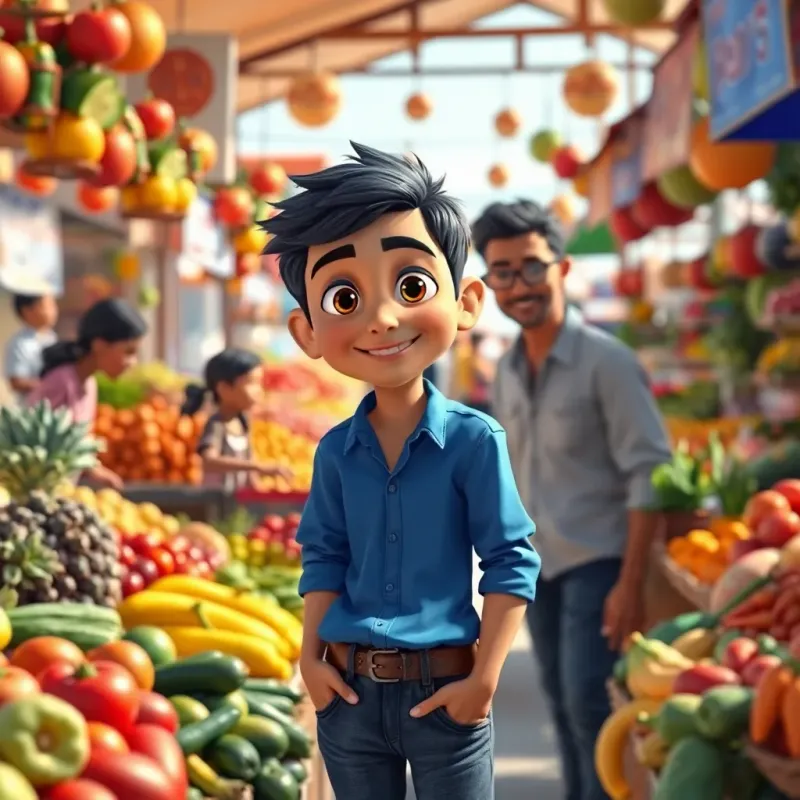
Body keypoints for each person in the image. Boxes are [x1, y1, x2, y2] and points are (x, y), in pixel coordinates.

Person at [262, 142, 540, 800]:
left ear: (466, 301)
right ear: (306, 332)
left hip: (448, 691)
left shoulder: (475, 442)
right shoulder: (334, 452)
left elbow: (510, 560)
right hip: (348, 694)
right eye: (343, 297)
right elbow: (323, 556)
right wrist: (310, 660)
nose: (382, 317)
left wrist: (485, 680)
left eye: (411, 285)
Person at [472, 199, 671, 800]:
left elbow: (649, 473)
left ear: (561, 268)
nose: (519, 285)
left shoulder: (607, 364)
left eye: (531, 266)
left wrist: (631, 584)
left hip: (600, 565)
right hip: (541, 570)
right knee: (560, 704)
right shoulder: (504, 369)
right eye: (502, 272)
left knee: (592, 707)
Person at [27, 297, 148, 489]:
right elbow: (41, 444)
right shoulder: (60, 381)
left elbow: (78, 440)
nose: (132, 362)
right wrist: (93, 470)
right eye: (128, 352)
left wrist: (93, 468)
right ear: (99, 344)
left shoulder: (90, 383)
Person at [180, 347, 293, 491]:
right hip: (217, 501)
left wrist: (260, 492)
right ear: (224, 389)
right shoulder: (217, 424)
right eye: (252, 382)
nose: (259, 390)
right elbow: (209, 461)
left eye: (259, 383)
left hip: (239, 503)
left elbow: (250, 469)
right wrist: (258, 467)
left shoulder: (243, 423)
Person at [4, 291, 58, 403]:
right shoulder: (20, 344)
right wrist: (51, 385)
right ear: (27, 311)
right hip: (32, 411)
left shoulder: (52, 338)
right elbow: (16, 382)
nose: (54, 310)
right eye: (48, 305)